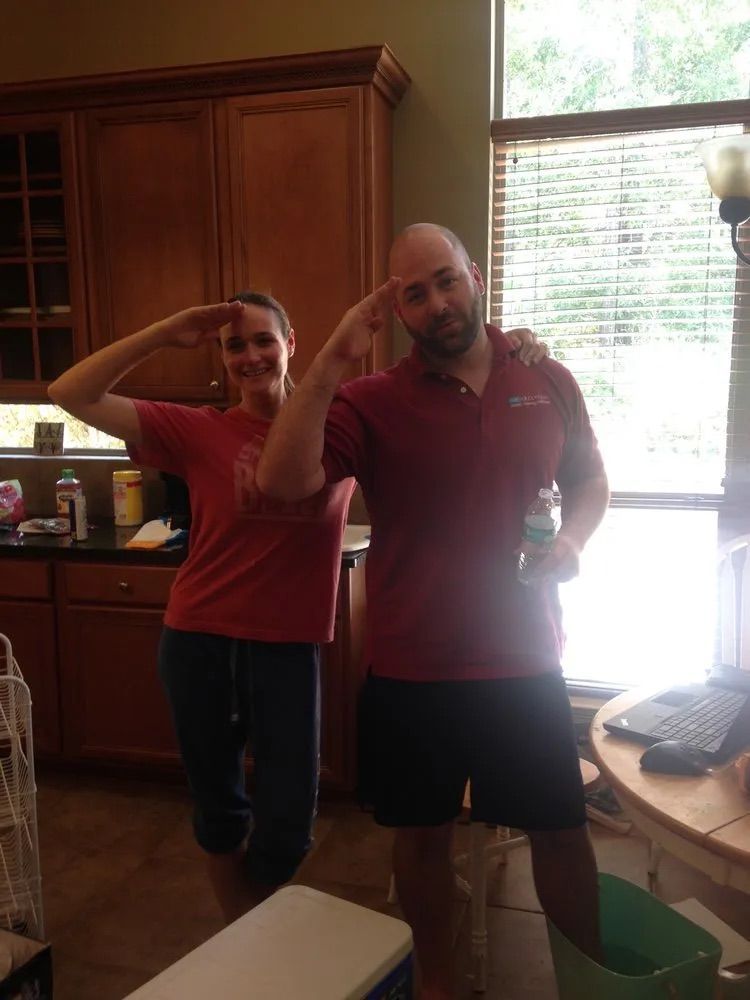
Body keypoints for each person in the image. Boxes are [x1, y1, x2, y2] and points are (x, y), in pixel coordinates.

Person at [48, 286, 547, 928]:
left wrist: (511, 349)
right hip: (199, 641)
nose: (250, 355)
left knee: (288, 827)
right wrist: (165, 331)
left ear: (291, 344)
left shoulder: (340, 422)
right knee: (220, 810)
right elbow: (70, 392)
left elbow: (445, 393)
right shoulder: (197, 429)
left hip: (287, 647)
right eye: (235, 345)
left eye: (264, 340)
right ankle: (245, 939)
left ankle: (251, 930)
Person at [256, 224, 610, 999]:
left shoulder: (545, 376)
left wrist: (574, 540)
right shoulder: (370, 401)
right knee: (421, 843)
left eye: (446, 280)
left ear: (474, 276)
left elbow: (590, 477)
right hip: (414, 669)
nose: (437, 303)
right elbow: (281, 481)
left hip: (526, 660)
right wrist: (333, 358)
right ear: (398, 312)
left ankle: (590, 986)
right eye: (414, 294)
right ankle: (438, 985)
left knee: (561, 834)